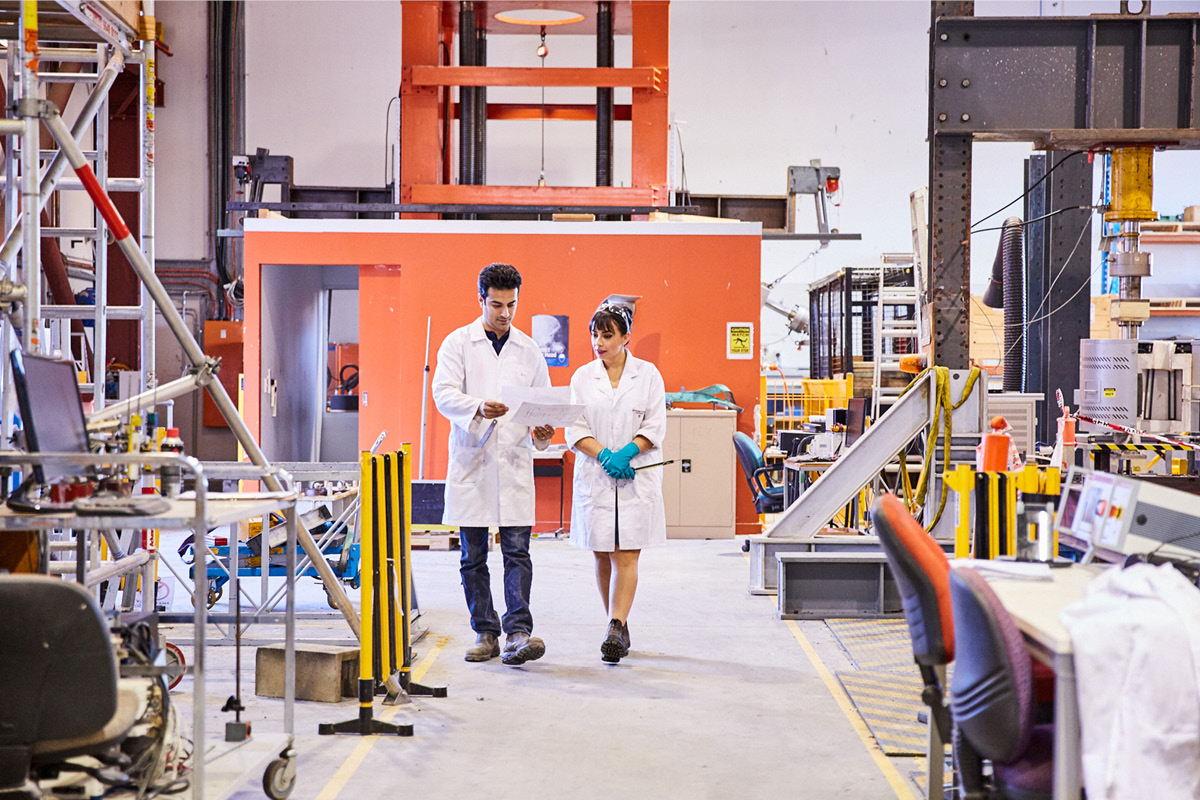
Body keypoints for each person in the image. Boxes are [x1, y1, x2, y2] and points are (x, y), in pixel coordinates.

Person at [432, 263, 556, 665]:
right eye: (497, 304)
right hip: (474, 463)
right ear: (481, 299)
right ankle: (485, 633)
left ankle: (518, 632)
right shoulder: (457, 344)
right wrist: (478, 407)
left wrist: (542, 432)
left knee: (517, 551)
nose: (505, 313)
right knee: (473, 555)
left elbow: (543, 404)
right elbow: (442, 394)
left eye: (512, 305)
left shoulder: (529, 349)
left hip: (515, 462)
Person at [566, 303, 667, 663]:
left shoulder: (649, 375)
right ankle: (618, 625)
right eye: (594, 334)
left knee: (626, 552)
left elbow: (655, 426)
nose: (599, 342)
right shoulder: (582, 377)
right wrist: (605, 456)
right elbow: (574, 429)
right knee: (602, 551)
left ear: (626, 337)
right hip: (597, 474)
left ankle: (614, 623)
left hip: (635, 473)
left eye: (607, 335)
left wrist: (626, 452)